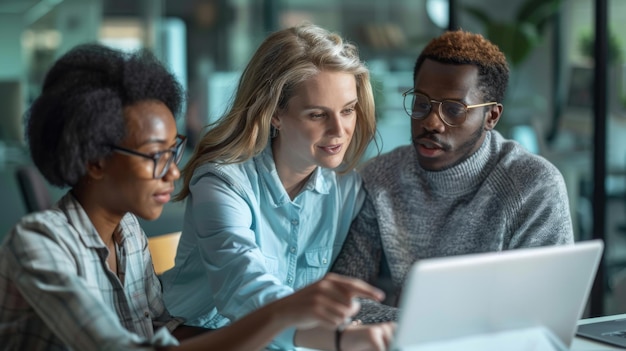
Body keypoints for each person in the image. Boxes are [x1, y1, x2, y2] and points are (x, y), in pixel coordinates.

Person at [0, 43, 389, 351]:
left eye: (174, 152)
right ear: (96, 161)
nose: (173, 172)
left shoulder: (129, 233)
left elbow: (164, 332)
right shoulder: (37, 242)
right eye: (156, 156)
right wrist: (283, 316)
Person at [161, 23, 394, 350]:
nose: (339, 130)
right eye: (317, 115)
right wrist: (337, 338)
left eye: (348, 110)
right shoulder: (221, 182)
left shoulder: (347, 188)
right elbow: (243, 289)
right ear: (275, 115)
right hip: (193, 336)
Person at [330, 30, 575, 323]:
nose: (431, 122)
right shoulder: (379, 180)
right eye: (421, 103)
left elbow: (542, 314)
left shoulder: (532, 186)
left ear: (491, 117)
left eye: (454, 109)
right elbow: (341, 302)